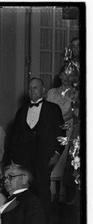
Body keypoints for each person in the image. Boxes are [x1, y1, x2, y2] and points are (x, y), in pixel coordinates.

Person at [7, 78, 65, 224]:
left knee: (43, 193)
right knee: (23, 193)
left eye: (36, 88)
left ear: (43, 90)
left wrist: (57, 154)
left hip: (43, 159)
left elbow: (62, 134)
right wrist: (14, 160)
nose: (32, 91)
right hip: (23, 159)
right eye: (30, 88)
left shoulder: (53, 109)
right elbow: (14, 137)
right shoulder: (21, 111)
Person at [46, 64, 79, 202]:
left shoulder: (76, 93)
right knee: (49, 163)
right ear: (59, 75)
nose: (66, 78)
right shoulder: (51, 92)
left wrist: (56, 124)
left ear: (74, 77)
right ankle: (49, 197)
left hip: (67, 132)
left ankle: (63, 200)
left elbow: (71, 114)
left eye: (70, 75)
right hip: (49, 130)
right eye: (64, 74)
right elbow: (46, 111)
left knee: (63, 163)